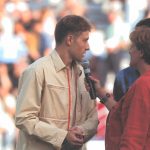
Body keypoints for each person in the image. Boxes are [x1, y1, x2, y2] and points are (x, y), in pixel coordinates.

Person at [15, 15, 99, 150]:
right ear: (70, 40)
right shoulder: (36, 70)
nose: (88, 47)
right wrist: (63, 136)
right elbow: (24, 118)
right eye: (85, 40)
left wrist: (82, 131)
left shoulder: (83, 73)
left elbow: (93, 118)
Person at [89, 18, 150, 149]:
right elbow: (124, 113)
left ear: (141, 52)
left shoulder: (143, 85)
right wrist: (101, 93)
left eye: (133, 47)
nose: (129, 51)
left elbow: (134, 136)